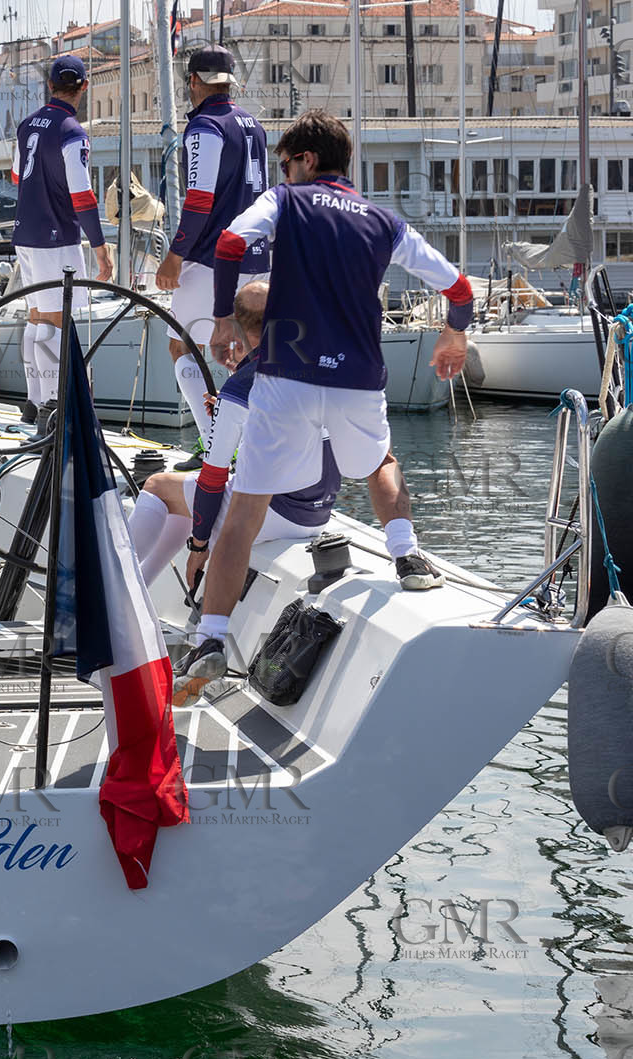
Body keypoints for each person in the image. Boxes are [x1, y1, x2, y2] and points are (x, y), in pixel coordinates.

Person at [173, 110, 473, 701]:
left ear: (306, 161)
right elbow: (457, 288)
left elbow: (232, 241)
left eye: (285, 163)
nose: (281, 172)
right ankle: (408, 557)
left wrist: (227, 316)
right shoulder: (386, 222)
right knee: (381, 463)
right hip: (358, 378)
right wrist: (455, 334)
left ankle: (210, 639)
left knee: (245, 511)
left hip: (287, 374)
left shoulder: (287, 200)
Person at [127, 281, 338, 587]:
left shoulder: (242, 385)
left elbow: (213, 478)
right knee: (183, 497)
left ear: (236, 327)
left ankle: (114, 587)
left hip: (276, 512)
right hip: (319, 512)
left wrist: (199, 546)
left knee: (159, 485)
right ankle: (139, 592)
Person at [154, 44, 270, 472]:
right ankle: (250, 446)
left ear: (194, 82)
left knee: (181, 343)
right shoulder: (253, 125)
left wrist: (175, 255)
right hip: (257, 256)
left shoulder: (204, 127)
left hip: (212, 257)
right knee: (244, 350)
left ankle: (214, 447)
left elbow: (200, 200)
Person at [11, 55, 114, 418]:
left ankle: (34, 402)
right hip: (56, 237)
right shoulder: (72, 131)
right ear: (84, 86)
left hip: (25, 232)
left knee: (36, 316)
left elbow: (15, 176)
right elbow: (82, 195)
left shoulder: (26, 127)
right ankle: (54, 408)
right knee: (55, 321)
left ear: (49, 86)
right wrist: (101, 247)